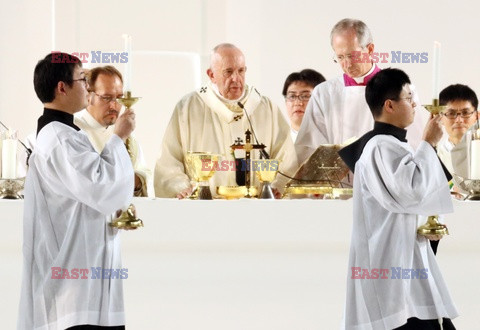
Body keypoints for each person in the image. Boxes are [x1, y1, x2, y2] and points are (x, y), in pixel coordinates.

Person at [18, 52, 136, 329]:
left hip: (86, 278)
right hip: (76, 285)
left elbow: (85, 198)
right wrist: (119, 136)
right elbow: (103, 186)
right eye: (82, 79)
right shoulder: (59, 139)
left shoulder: (67, 135)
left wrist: (116, 212)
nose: (87, 86)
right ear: (62, 87)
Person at [338, 68, 457, 330]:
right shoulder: (379, 146)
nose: (415, 103)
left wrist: (426, 229)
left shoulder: (394, 145)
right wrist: (428, 142)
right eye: (409, 97)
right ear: (389, 105)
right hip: (389, 268)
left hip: (405, 263)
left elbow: (406, 202)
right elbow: (411, 192)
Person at [154, 43, 297, 198]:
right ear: (211, 75)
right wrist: (181, 188)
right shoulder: (188, 108)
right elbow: (169, 160)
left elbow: (286, 158)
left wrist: (275, 188)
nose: (236, 78)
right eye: (228, 72)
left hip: (257, 209)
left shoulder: (266, 108)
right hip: (205, 208)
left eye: (240, 71)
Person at [295, 18, 429, 164]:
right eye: (340, 57)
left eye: (352, 56)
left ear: (370, 50)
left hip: (385, 179)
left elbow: (415, 142)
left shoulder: (401, 89)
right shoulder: (324, 93)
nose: (346, 64)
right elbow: (310, 147)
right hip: (339, 183)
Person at [75, 65, 153, 197]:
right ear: (89, 95)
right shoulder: (75, 131)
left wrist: (137, 181)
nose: (114, 105)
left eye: (119, 98)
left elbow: (144, 173)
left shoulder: (126, 134)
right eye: (106, 97)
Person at [437, 84, 479, 174]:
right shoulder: (434, 158)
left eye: (465, 112)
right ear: (440, 118)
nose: (459, 120)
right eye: (451, 113)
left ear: (477, 116)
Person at [282, 69, 325, 142]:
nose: (297, 102)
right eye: (292, 96)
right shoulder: (277, 144)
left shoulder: (336, 139)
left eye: (305, 96)